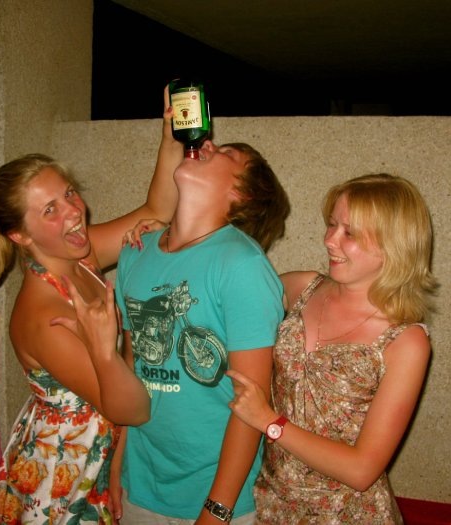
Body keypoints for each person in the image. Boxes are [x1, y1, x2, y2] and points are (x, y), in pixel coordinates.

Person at [0, 87, 180, 524]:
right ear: (19, 236)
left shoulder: (79, 258)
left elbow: (158, 212)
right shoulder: (45, 316)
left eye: (68, 194)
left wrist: (171, 134)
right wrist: (106, 350)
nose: (73, 211)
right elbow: (132, 409)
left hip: (97, 453)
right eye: (50, 210)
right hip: (62, 480)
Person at [226, 173, 437, 524]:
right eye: (332, 224)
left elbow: (362, 470)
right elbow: (226, 294)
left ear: (394, 243)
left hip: (347, 515)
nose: (329, 240)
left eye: (349, 233)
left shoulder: (405, 340)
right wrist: (171, 236)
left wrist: (269, 421)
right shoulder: (302, 287)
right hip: (269, 504)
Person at [112, 136, 291, 524]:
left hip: (216, 498)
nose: (206, 143)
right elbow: (129, 374)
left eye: (226, 154)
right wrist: (115, 469)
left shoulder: (242, 265)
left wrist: (216, 510)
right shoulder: (134, 251)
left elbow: (251, 403)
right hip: (137, 490)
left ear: (241, 194)